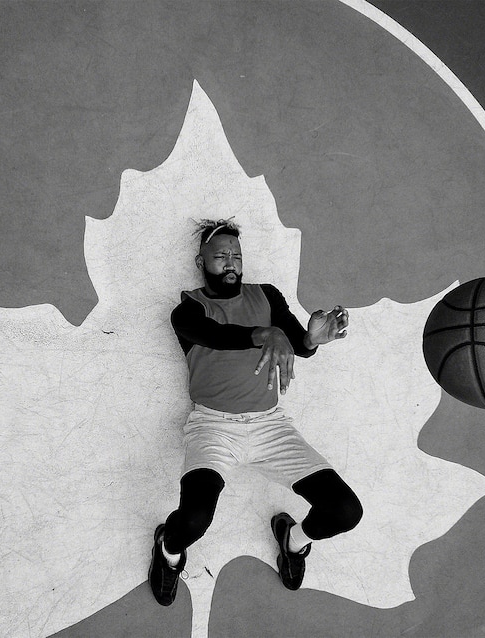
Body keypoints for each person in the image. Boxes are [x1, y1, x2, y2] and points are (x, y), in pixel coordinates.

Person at [149, 219, 363, 606]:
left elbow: (294, 341)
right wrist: (263, 334)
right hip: (214, 427)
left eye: (236, 256)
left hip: (270, 428)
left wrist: (311, 340)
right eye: (220, 256)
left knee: (345, 510)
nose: (231, 263)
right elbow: (213, 335)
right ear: (202, 261)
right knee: (194, 520)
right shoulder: (188, 310)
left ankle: (293, 541)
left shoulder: (266, 295)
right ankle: (168, 551)